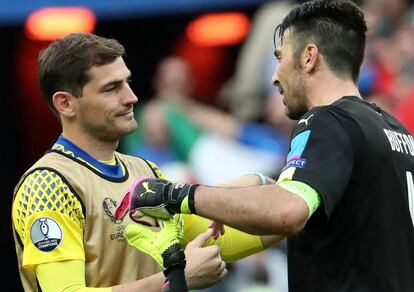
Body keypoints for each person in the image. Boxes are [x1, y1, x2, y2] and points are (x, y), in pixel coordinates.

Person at [126, 1, 414, 291]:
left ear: (309, 57)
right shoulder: (395, 130)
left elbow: (289, 211)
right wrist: (264, 185)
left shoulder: (327, 121)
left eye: (280, 58)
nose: (275, 76)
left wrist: (177, 195)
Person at [11, 32, 282, 291]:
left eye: (127, 82)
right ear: (66, 103)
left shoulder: (145, 171)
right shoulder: (48, 185)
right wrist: (177, 277)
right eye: (111, 88)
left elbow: (220, 241)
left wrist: (302, 208)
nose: (131, 97)